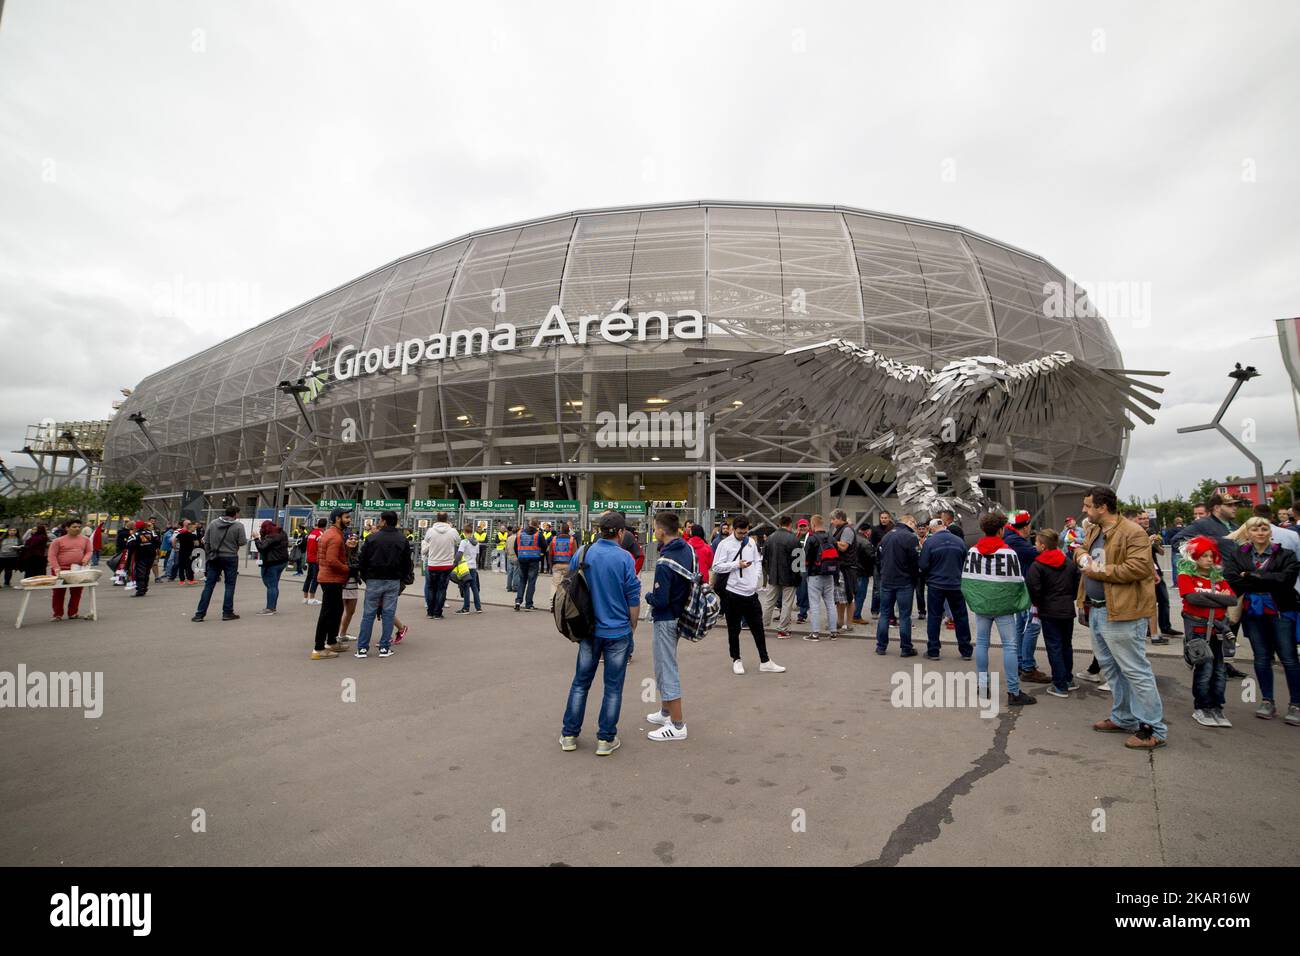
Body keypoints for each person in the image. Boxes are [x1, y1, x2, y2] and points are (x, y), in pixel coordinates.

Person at [1076, 485, 1166, 749]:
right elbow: (1079, 549)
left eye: (1088, 505)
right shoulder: (1094, 530)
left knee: (1135, 671)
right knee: (1112, 668)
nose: (1084, 510)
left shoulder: (1132, 532)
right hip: (1098, 609)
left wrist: (1098, 570)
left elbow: (1139, 567)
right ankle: (1123, 717)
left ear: (1102, 507)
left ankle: (1153, 729)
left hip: (1123, 613)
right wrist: (1083, 560)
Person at [559, 511, 642, 756]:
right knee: (613, 687)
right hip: (617, 631)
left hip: (588, 629)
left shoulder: (584, 552)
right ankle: (605, 740)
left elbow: (569, 584)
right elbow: (633, 599)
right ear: (620, 532)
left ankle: (569, 735)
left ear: (598, 531)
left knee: (580, 683)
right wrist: (632, 627)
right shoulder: (625, 558)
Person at [1222, 516, 1300, 725]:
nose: (1260, 533)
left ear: (1270, 532)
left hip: (1281, 611)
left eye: (1264, 529)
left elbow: (1286, 580)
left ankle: (1296, 704)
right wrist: (1264, 579)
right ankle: (1267, 700)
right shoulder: (1238, 555)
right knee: (1261, 657)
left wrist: (1251, 576)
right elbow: (1231, 579)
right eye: (1255, 529)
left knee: (1289, 657)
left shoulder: (1286, 555)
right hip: (1253, 613)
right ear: (1248, 533)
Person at [961, 510, 1037, 707]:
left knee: (982, 643)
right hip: (1003, 606)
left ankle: (983, 685)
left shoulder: (973, 551)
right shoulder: (1008, 552)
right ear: (1001, 529)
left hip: (982, 605)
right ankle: (1013, 691)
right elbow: (1017, 581)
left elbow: (968, 580)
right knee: (1010, 646)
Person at [644, 512, 695, 741]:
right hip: (679, 614)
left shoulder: (664, 562)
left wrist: (647, 595)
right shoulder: (687, 549)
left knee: (666, 668)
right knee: (663, 664)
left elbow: (660, 599)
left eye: (655, 527)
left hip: (665, 618)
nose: (654, 531)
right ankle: (665, 712)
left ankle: (677, 725)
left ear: (661, 531)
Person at [1176, 535, 1236, 728]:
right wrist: (1219, 598)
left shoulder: (1218, 578)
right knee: (1204, 668)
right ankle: (1201, 707)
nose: (1209, 559)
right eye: (1204, 556)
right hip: (1198, 631)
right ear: (1195, 557)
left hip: (1218, 631)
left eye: (1212, 556)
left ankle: (1217, 707)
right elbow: (1192, 598)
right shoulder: (1186, 575)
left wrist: (1210, 597)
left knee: (1219, 670)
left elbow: (1232, 600)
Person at [713, 516, 785, 673]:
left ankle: (765, 660)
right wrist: (735, 565)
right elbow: (716, 566)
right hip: (732, 593)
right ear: (733, 529)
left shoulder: (750, 542)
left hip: (750, 593)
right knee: (734, 629)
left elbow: (758, 560)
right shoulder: (724, 544)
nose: (742, 535)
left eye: (745, 532)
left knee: (758, 628)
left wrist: (756, 577)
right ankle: (736, 659)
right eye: (740, 533)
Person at [1025, 529, 1080, 698]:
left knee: (1054, 646)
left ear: (1043, 545)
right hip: (1067, 609)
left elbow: (1034, 589)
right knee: (1066, 644)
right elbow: (1077, 583)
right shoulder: (1069, 562)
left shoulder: (1037, 565)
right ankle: (1068, 679)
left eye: (1036, 543)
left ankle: (1059, 684)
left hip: (1048, 611)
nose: (1035, 545)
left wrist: (1039, 604)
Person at [354, 510, 413, 658]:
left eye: (380, 520)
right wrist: (401, 577)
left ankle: (362, 648)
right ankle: (384, 647)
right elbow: (407, 563)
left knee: (368, 614)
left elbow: (362, 560)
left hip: (374, 579)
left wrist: (366, 576)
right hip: (393, 580)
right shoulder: (402, 539)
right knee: (388, 613)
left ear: (384, 521)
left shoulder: (372, 538)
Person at [1003, 511, 1048, 683]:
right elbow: (1040, 555)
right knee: (1032, 626)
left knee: (1021, 626)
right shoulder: (1016, 542)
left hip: (1020, 589)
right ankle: (1027, 666)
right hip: (1027, 590)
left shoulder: (1012, 539)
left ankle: (1021, 662)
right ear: (1026, 526)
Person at [919, 513, 972, 660]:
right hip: (956, 584)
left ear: (932, 529)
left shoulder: (930, 542)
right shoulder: (959, 541)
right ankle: (966, 650)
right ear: (944, 526)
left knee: (934, 617)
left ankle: (934, 650)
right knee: (961, 616)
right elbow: (965, 562)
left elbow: (923, 565)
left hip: (936, 585)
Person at [1130, 509, 1181, 641]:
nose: (1145, 520)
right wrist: (1147, 541)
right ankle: (1148, 630)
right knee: (1147, 602)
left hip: (1156, 570)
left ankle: (1165, 627)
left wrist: (1156, 544)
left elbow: (1162, 552)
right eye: (1141, 518)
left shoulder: (1152, 531)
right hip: (1144, 572)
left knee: (1164, 600)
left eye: (1146, 518)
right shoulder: (1134, 533)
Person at [874, 514, 919, 656]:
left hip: (887, 580)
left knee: (884, 613)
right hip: (904, 581)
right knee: (905, 615)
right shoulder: (910, 537)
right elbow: (914, 561)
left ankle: (881, 646)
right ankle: (906, 648)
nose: (916, 528)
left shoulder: (886, 536)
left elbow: (878, 557)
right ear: (910, 522)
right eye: (915, 524)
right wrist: (915, 577)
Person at [311, 507, 352, 659]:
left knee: (336, 610)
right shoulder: (335, 537)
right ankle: (319, 648)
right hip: (331, 579)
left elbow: (323, 558)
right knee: (328, 613)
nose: (349, 520)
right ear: (337, 519)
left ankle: (332, 641)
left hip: (329, 577)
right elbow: (332, 560)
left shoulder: (330, 533)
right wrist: (348, 569)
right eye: (346, 517)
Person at [192, 507, 247, 622]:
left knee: (209, 585)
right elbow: (242, 542)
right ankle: (227, 612)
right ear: (235, 514)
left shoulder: (213, 523)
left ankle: (199, 614)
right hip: (231, 557)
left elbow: (205, 540)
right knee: (230, 585)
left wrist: (209, 553)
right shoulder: (238, 526)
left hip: (215, 557)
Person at [801, 513, 840, 643]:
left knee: (815, 605)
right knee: (830, 603)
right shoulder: (831, 537)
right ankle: (833, 632)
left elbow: (804, 558)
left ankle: (815, 634)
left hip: (814, 575)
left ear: (813, 525)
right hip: (829, 574)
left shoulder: (812, 538)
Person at [760, 515, 799, 639]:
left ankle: (762, 626)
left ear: (779, 524)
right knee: (787, 603)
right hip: (790, 577)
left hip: (773, 575)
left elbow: (764, 559)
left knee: (769, 601)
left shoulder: (770, 538)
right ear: (790, 524)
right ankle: (783, 629)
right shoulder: (794, 539)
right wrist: (798, 576)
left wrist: (769, 572)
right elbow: (799, 562)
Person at [48, 518, 92, 620]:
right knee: (58, 593)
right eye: (74, 527)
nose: (77, 529)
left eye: (79, 527)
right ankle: (57, 614)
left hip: (77, 570)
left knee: (76, 592)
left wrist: (85, 559)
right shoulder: (57, 541)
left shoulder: (85, 539)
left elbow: (89, 551)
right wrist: (56, 568)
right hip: (61, 570)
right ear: (67, 528)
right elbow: (52, 556)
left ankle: (73, 613)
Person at [421, 511, 460, 619]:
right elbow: (458, 541)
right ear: (447, 519)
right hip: (447, 564)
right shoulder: (452, 531)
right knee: (441, 589)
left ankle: (430, 612)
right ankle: (438, 613)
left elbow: (426, 541)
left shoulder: (430, 531)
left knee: (430, 588)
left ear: (437, 519)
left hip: (432, 564)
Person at [829, 509, 859, 633]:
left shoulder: (846, 529)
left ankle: (849, 623)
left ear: (840, 518)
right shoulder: (841, 529)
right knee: (839, 597)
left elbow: (843, 547)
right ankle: (840, 622)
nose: (832, 522)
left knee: (849, 596)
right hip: (840, 567)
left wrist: (831, 541)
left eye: (833, 519)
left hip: (847, 568)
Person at [254, 520, 289, 615]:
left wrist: (256, 538)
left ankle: (270, 608)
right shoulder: (282, 533)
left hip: (271, 562)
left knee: (270, 585)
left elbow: (262, 548)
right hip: (282, 561)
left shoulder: (271, 537)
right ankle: (273, 606)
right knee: (274, 585)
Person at [869, 510, 895, 619]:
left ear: (889, 518)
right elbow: (872, 544)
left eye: (885, 517)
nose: (883, 519)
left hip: (891, 562)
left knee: (890, 588)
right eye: (882, 518)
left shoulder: (894, 529)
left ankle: (889, 611)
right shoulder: (875, 529)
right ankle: (875, 610)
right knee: (877, 588)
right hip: (878, 562)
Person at [513, 519, 544, 611]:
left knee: (522, 580)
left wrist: (520, 555)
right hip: (534, 560)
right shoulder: (538, 534)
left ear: (529, 524)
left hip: (522, 559)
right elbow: (544, 545)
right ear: (537, 525)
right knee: (531, 582)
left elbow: (516, 547)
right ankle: (529, 604)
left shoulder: (520, 534)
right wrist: (541, 556)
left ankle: (518, 601)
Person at [124, 520, 160, 597]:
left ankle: (140, 590)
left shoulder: (134, 535)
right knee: (147, 572)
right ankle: (144, 588)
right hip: (151, 556)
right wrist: (152, 547)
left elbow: (129, 546)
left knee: (140, 573)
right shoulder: (152, 533)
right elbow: (158, 542)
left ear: (136, 527)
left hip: (140, 556)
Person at [454, 522, 482, 614]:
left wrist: (455, 563)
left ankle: (466, 608)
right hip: (473, 566)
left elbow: (459, 554)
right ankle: (478, 608)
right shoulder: (476, 543)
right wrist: (475, 564)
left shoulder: (464, 542)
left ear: (465, 532)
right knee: (474, 587)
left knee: (466, 587)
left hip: (465, 567)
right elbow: (477, 556)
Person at [851, 521, 875, 625]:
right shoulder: (866, 542)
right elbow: (872, 557)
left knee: (852, 595)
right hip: (862, 572)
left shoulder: (853, 538)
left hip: (852, 571)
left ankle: (850, 614)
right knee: (860, 595)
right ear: (867, 531)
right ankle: (856, 616)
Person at [548, 521, 577, 595]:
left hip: (556, 565)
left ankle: (552, 603)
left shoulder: (554, 539)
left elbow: (550, 554)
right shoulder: (572, 540)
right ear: (568, 530)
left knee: (555, 584)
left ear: (561, 530)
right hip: (568, 566)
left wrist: (551, 566)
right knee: (566, 585)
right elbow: (575, 555)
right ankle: (563, 603)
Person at [302, 518, 326, 605]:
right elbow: (321, 547)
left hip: (309, 557)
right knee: (315, 578)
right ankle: (312, 598)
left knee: (309, 577)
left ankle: (305, 597)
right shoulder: (321, 534)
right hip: (317, 559)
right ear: (325, 526)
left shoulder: (311, 533)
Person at [794, 518, 811, 623]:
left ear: (808, 526)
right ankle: (800, 606)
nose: (803, 528)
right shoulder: (795, 537)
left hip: (805, 566)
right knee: (796, 590)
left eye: (804, 526)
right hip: (795, 566)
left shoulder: (811, 537)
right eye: (801, 526)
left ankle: (802, 614)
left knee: (803, 590)